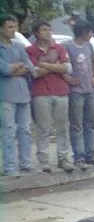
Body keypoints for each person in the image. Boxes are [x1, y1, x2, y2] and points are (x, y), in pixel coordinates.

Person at [27, 20, 74, 174]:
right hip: (41, 93)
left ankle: (63, 159)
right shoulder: (30, 51)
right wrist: (56, 66)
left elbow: (67, 68)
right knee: (43, 129)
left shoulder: (59, 48)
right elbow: (35, 72)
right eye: (44, 29)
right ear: (36, 33)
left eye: (49, 29)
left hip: (60, 91)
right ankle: (44, 161)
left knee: (62, 127)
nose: (48, 32)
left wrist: (45, 65)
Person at [0, 13, 37, 177]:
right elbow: (5, 70)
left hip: (23, 93)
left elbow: (30, 66)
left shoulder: (19, 46)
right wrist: (17, 67)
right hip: (6, 94)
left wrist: (16, 68)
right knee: (9, 130)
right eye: (9, 27)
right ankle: (9, 166)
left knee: (25, 129)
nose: (13, 30)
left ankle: (26, 162)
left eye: (15, 27)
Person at [64, 19, 94, 170]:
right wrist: (67, 78)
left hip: (89, 90)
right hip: (75, 91)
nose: (91, 34)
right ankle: (79, 157)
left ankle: (91, 155)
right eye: (90, 32)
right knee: (76, 125)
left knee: (90, 124)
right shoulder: (67, 46)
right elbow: (62, 65)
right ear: (83, 32)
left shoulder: (89, 45)